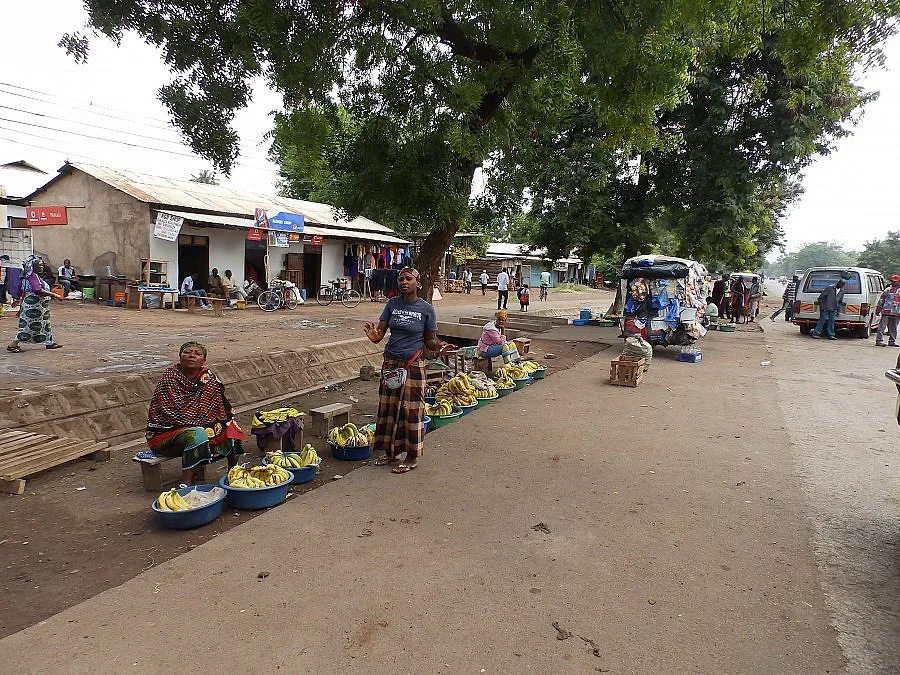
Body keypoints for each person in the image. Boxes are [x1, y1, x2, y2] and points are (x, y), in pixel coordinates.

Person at [363, 267, 455, 474]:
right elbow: (380, 332)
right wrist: (375, 337)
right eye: (401, 279)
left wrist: (440, 347)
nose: (404, 282)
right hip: (391, 364)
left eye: (408, 279)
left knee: (412, 411)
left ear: (417, 283)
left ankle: (412, 456)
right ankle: (390, 452)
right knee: (388, 409)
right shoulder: (392, 305)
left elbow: (430, 340)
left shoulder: (426, 309)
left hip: (413, 365)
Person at [144, 342, 245, 485]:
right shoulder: (169, 379)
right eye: (187, 352)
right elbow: (173, 415)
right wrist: (204, 425)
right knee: (197, 434)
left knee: (230, 426)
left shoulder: (208, 378)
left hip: (201, 425)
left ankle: (234, 471)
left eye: (198, 354)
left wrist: (218, 423)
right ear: (180, 357)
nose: (192, 355)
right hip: (167, 433)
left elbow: (220, 406)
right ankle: (186, 484)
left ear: (203, 361)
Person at [7, 255, 64, 352]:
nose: (41, 268)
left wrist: (18, 299)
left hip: (39, 308)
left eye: (42, 266)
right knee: (27, 327)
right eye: (39, 266)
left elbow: (22, 290)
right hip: (33, 308)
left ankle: (49, 342)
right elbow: (38, 290)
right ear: (33, 266)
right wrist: (54, 295)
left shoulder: (28, 276)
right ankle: (13, 344)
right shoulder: (32, 276)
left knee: (45, 325)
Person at [875, 275, 900, 347]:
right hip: (886, 311)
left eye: (895, 281)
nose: (893, 283)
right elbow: (881, 301)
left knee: (894, 328)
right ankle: (879, 340)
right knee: (882, 327)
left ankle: (892, 341)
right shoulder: (887, 290)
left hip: (897, 313)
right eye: (892, 281)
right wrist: (878, 310)